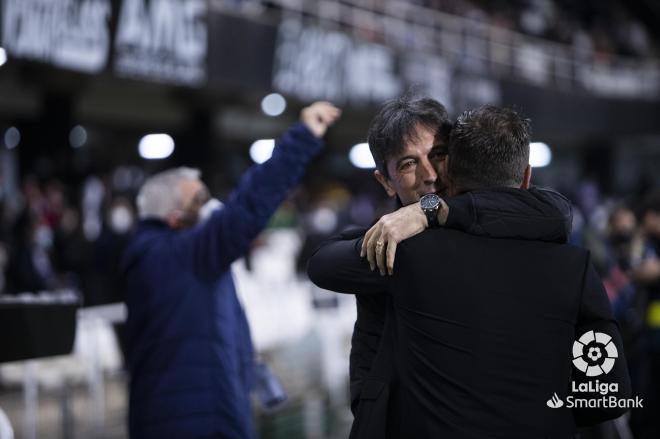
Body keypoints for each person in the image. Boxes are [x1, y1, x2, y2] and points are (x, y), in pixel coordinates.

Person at [308, 104, 631, 437]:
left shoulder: (420, 250)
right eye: (408, 163)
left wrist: (432, 210)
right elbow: (323, 263)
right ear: (385, 181)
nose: (430, 174)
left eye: (439, 154)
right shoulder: (396, 250)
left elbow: (557, 210)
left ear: (460, 161)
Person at [122, 102, 340, 438]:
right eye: (199, 200)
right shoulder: (178, 256)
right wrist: (302, 137)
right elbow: (249, 205)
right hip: (193, 424)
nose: (211, 206)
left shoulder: (182, 260)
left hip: (205, 414)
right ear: (174, 216)